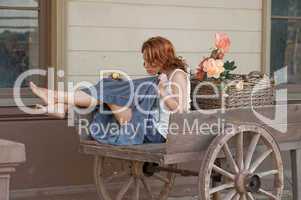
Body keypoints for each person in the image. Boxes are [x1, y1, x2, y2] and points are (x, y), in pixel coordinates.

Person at [30, 36, 191, 145]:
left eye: (149, 62)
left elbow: (181, 111)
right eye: (144, 62)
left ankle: (60, 102)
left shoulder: (177, 76)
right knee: (111, 86)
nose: (146, 66)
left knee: (111, 91)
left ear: (161, 58)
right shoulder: (161, 76)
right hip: (147, 122)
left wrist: (162, 91)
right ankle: (61, 104)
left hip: (159, 134)